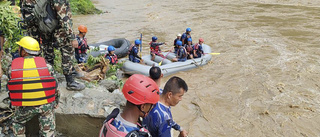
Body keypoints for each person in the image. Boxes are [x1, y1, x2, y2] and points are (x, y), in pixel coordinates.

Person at [20, 0, 85, 91]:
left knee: (48, 50)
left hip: (46, 26)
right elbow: (64, 18)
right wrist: (72, 38)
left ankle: (49, 77)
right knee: (67, 51)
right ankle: (70, 81)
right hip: (58, 30)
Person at [7, 36, 59, 137]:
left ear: (25, 51)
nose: (18, 50)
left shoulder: (13, 67)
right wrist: (55, 101)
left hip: (24, 105)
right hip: (44, 105)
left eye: (20, 48)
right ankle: (47, 134)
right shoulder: (47, 66)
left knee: (17, 122)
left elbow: (12, 87)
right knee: (48, 118)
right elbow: (54, 86)